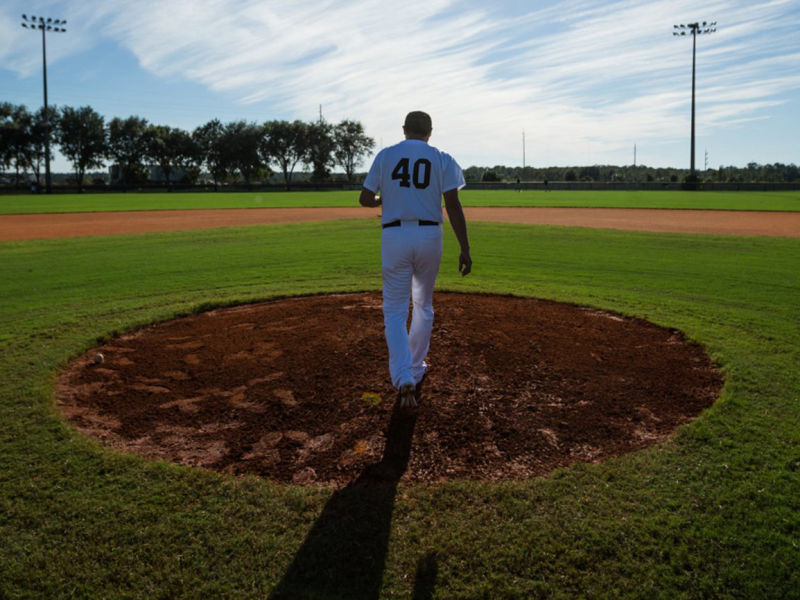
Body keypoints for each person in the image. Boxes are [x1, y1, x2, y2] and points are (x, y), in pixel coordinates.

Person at [359, 111, 472, 408]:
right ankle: (415, 368)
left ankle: (403, 377)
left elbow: (364, 198)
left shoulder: (386, 155)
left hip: (394, 235)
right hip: (429, 236)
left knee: (394, 310)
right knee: (423, 304)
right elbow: (453, 205)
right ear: (430, 132)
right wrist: (465, 248)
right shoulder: (441, 158)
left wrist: (385, 199)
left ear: (404, 130)